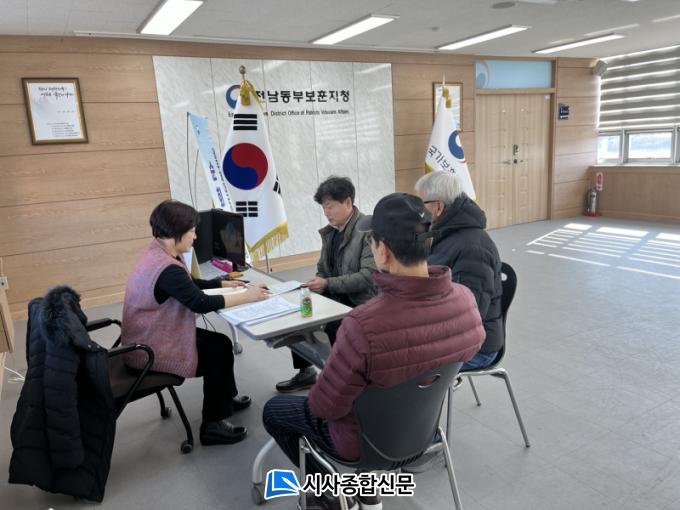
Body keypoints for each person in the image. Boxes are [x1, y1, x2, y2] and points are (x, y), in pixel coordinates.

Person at [263, 193, 485, 510]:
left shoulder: (364, 325)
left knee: (275, 411)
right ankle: (367, 494)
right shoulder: (465, 300)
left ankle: (332, 493)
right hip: (421, 433)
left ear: (382, 251)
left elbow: (325, 407)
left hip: (362, 445)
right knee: (371, 399)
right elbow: (467, 348)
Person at [121, 200, 269, 446]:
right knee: (218, 351)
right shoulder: (166, 267)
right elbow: (199, 302)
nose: (195, 236)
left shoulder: (157, 253)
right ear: (176, 231)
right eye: (191, 231)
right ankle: (213, 425)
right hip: (148, 351)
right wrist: (248, 296)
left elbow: (186, 284)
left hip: (146, 338)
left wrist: (222, 283)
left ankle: (224, 400)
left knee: (220, 343)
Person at [275, 176, 376, 393]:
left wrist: (327, 284)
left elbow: (367, 277)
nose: (326, 213)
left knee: (332, 326)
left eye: (329, 206)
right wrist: (317, 282)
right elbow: (322, 268)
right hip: (334, 295)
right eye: (323, 207)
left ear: (347, 202)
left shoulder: (367, 231)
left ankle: (339, 380)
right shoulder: (331, 232)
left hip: (359, 302)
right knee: (299, 312)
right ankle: (306, 372)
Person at [415, 171, 504, 371]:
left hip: (477, 347)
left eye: (421, 205)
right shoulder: (443, 232)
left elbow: (467, 316)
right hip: (449, 333)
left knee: (397, 363)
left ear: (438, 207)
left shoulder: (473, 249)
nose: (417, 212)